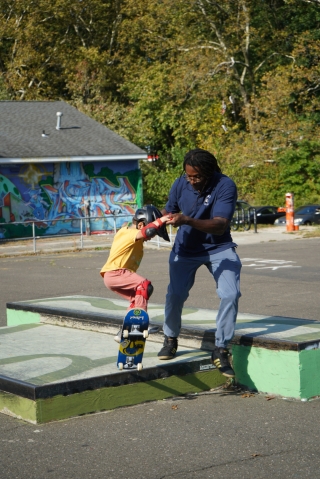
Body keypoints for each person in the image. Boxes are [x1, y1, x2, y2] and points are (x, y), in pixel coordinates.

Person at [157, 148, 242, 378]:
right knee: (175, 295)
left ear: (209, 171)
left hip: (219, 247)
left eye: (197, 177)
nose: (192, 181)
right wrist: (153, 219)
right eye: (189, 176)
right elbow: (170, 209)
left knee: (230, 294)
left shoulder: (225, 185)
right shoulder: (180, 183)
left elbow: (220, 224)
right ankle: (171, 338)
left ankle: (221, 348)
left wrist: (187, 220)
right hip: (185, 249)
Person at [100, 205, 170, 342]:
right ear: (141, 225)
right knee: (144, 285)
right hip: (115, 273)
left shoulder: (132, 237)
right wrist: (162, 220)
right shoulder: (129, 233)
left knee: (138, 298)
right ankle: (140, 325)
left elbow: (147, 232)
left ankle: (124, 331)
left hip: (113, 276)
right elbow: (147, 231)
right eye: (153, 235)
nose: (151, 238)